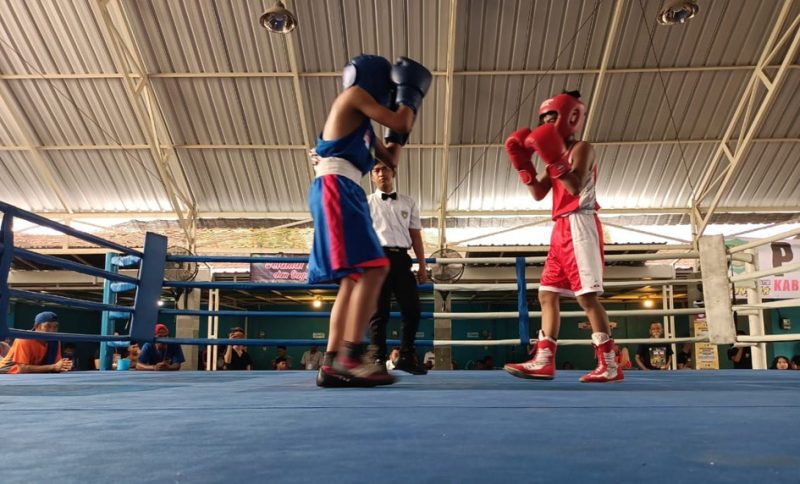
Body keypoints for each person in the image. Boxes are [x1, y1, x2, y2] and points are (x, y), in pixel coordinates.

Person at [308, 55, 431, 387]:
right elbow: (402, 122)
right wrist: (410, 96)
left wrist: (397, 134)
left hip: (343, 188)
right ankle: (352, 356)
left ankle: (333, 362)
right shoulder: (353, 97)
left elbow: (391, 157)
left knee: (353, 279)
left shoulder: (363, 126)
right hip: (336, 186)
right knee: (375, 267)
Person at [502, 91, 622, 383]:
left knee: (587, 298)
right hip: (560, 228)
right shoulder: (551, 154)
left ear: (571, 117)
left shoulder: (582, 148)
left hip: (580, 224)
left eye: (551, 117)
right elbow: (538, 193)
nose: (546, 123)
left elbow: (574, 187)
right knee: (547, 294)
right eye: (543, 119)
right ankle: (543, 360)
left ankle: (609, 363)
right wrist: (523, 164)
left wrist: (553, 157)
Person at [366, 158, 429, 375]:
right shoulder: (365, 203)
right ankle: (376, 358)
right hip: (375, 258)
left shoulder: (408, 202)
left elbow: (416, 235)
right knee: (378, 312)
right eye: (376, 170)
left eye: (385, 169)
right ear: (372, 176)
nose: (381, 173)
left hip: (402, 259)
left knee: (413, 309)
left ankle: (406, 355)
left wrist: (422, 265)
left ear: (393, 172)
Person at [0, 311, 73, 374]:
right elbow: (22, 368)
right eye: (47, 326)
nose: (52, 330)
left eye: (55, 327)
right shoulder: (24, 339)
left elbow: (56, 364)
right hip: (7, 372)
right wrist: (53, 367)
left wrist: (64, 364)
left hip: (32, 375)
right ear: (37, 326)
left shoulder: (55, 341)